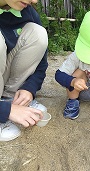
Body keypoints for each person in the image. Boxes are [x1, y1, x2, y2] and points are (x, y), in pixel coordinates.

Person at [0, 0, 48, 141]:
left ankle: (11, 98)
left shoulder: (28, 12)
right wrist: (4, 110)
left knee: (38, 33)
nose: (34, 1)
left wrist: (29, 88)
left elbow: (41, 63)